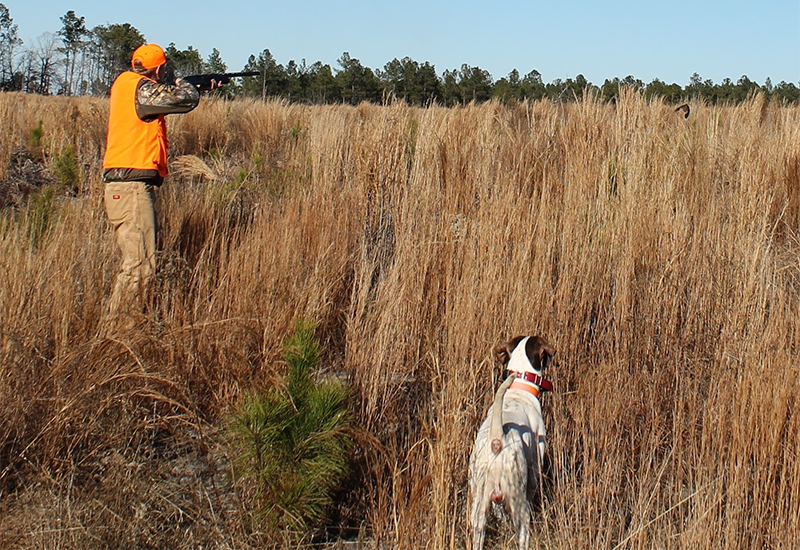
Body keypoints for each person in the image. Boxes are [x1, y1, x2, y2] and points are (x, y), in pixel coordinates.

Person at [101, 43, 215, 327]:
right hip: (130, 188)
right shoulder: (141, 89)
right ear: (159, 68)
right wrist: (189, 86)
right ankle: (118, 335)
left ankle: (123, 327)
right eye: (164, 69)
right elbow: (183, 100)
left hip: (125, 187)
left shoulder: (128, 85)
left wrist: (197, 87)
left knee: (138, 262)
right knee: (140, 267)